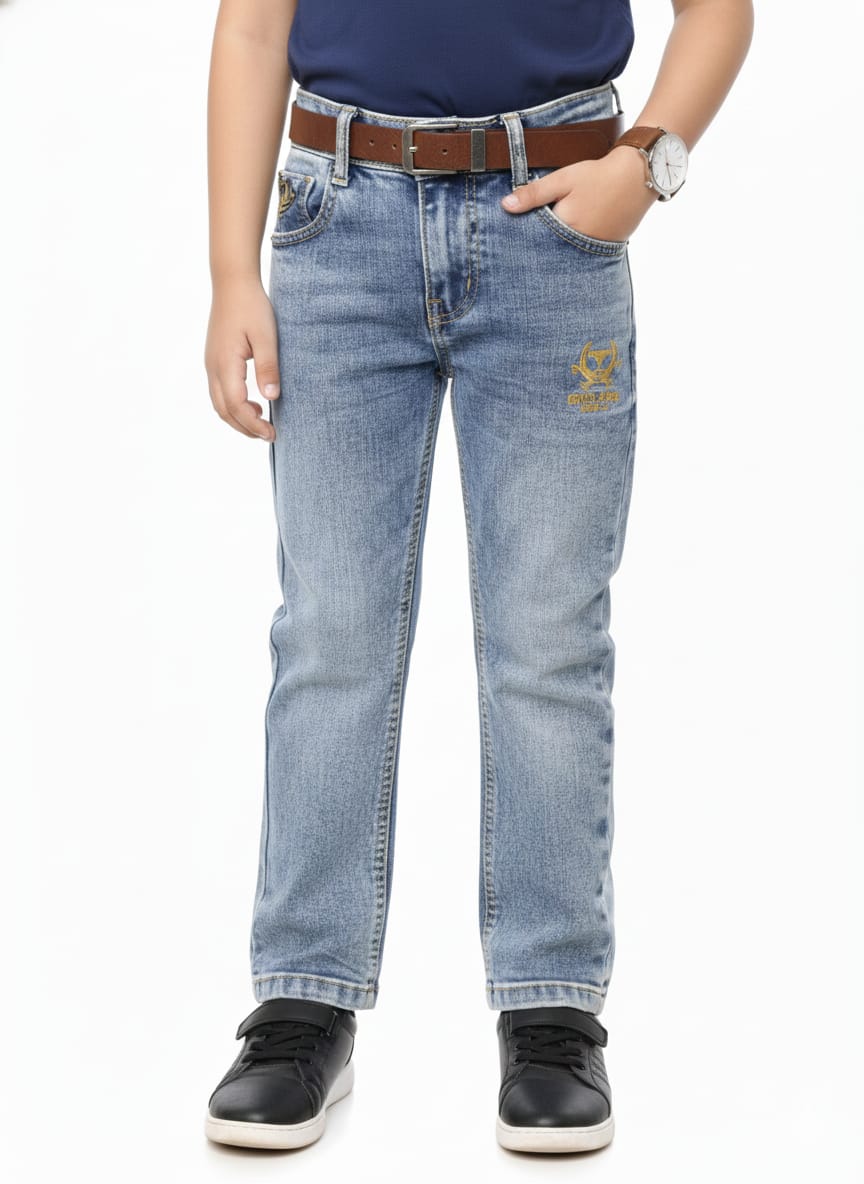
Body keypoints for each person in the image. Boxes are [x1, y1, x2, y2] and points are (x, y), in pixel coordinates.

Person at [202, 0, 753, 1155]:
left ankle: (553, 1010)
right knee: (332, 634)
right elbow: (252, 29)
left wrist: (644, 165)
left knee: (548, 640)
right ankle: (303, 998)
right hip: (338, 223)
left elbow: (718, 10)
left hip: (555, 224)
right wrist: (231, 273)